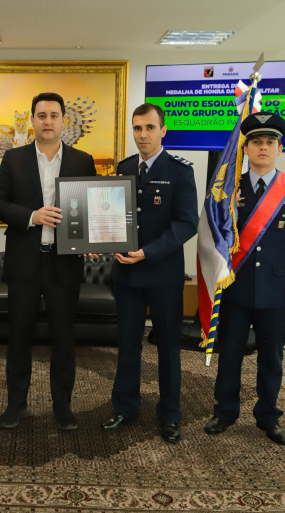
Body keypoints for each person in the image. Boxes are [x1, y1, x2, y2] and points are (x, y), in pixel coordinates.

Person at [203, 111, 285, 445]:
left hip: (275, 291)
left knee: (272, 358)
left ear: (279, 148)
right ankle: (224, 412)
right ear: (247, 147)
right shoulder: (229, 188)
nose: (263, 148)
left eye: (270, 142)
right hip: (235, 289)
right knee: (230, 355)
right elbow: (213, 237)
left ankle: (268, 416)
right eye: (256, 142)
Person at [0, 92, 97, 431]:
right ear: (32, 120)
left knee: (64, 339)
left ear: (64, 120)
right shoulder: (14, 158)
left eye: (53, 115)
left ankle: (62, 406)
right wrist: (33, 215)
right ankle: (16, 404)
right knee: (18, 336)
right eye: (41, 115)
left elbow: (92, 208)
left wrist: (92, 239)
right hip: (24, 263)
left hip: (64, 265)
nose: (47, 121)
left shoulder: (83, 160)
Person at [101, 103, 197, 443]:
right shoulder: (124, 167)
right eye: (137, 128)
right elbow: (112, 217)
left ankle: (170, 415)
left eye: (150, 128)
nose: (143, 135)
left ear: (163, 130)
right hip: (126, 274)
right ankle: (125, 407)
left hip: (163, 275)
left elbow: (187, 224)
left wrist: (147, 252)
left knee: (168, 347)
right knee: (127, 345)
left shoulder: (181, 171)